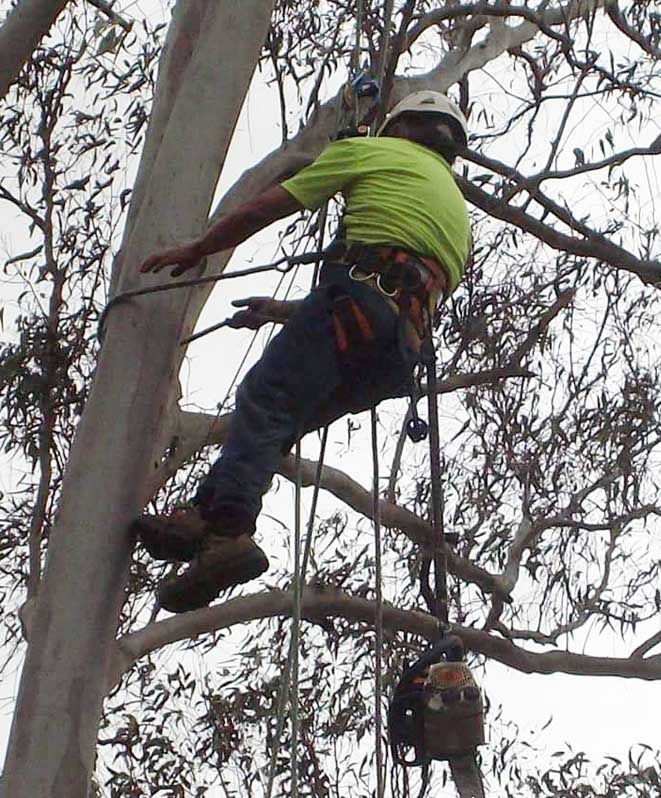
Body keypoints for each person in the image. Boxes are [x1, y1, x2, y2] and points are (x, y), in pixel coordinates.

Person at [133, 90, 472, 613]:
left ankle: (228, 531)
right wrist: (282, 311)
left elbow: (270, 205)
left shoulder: (370, 151)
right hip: (397, 352)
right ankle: (204, 516)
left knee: (265, 399)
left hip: (356, 311)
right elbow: (390, 288)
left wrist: (200, 249)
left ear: (400, 127)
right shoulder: (453, 206)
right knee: (278, 422)